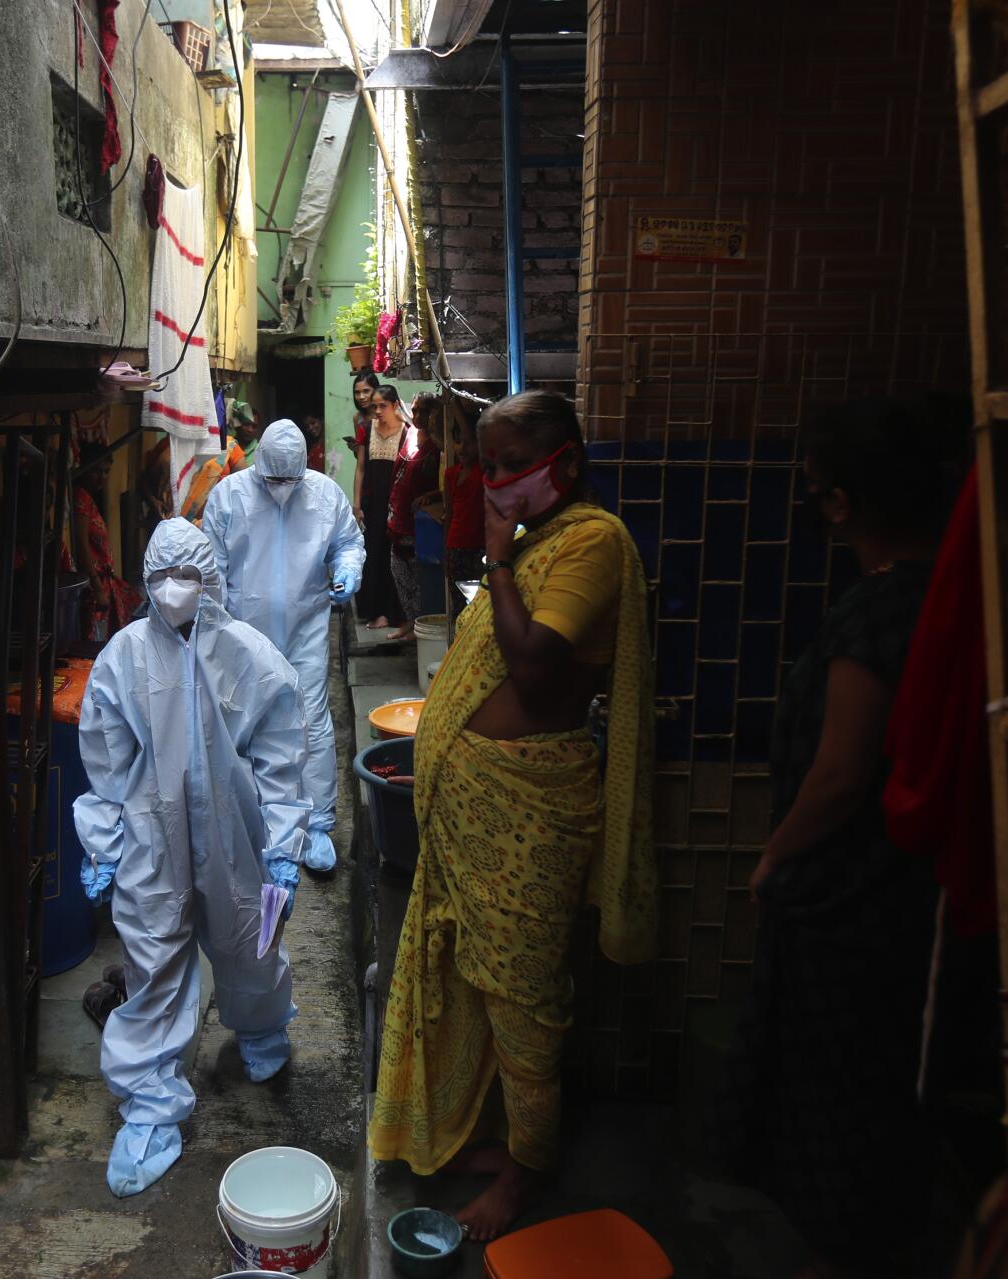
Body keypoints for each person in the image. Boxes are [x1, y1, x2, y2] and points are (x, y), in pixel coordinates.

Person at [369, 390, 655, 1240]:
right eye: (485, 464)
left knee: (524, 994)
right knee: (462, 979)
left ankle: (531, 1166)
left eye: (505, 465)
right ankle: (474, 1132)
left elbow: (533, 672)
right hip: (470, 812)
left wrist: (495, 560)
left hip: (530, 811)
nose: (491, 480)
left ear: (563, 463)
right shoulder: (538, 541)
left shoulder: (593, 543)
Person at [714, 399, 957, 1279]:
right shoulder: (952, 595)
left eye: (815, 492)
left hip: (852, 894)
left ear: (843, 502)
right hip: (913, 888)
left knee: (840, 1091)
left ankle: (843, 1252)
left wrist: (776, 855)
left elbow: (843, 770)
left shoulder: (876, 613)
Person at [74, 519, 314, 1197]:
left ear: (212, 580)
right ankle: (151, 1106)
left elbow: (282, 758)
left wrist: (287, 843)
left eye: (190, 576)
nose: (177, 590)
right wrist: (102, 842)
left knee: (249, 938)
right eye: (163, 577)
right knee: (152, 961)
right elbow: (104, 760)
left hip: (235, 831)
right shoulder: (121, 659)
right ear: (145, 579)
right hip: (152, 836)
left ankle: (262, 1024)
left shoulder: (249, 653)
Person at [202, 421, 367, 874]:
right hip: (243, 634)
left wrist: (348, 568)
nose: (281, 490)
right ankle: (251, 822)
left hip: (305, 627)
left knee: (310, 720)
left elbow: (349, 543)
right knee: (243, 725)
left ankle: (314, 823)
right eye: (273, 481)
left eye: (288, 482)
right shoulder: (229, 496)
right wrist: (213, 629)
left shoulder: (324, 495)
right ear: (260, 469)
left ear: (302, 469)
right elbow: (211, 567)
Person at [385, 393, 444, 641]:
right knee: (400, 573)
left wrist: (430, 496)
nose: (418, 416)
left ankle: (420, 627)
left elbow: (442, 484)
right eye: (416, 410)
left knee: (420, 578)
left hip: (418, 523)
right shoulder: (409, 434)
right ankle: (410, 622)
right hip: (398, 517)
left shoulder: (438, 445)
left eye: (424, 411)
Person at [353, 384, 411, 630]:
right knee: (373, 555)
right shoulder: (367, 428)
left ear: (395, 405)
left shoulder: (407, 431)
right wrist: (356, 505)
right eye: (374, 406)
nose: (377, 410)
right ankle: (374, 611)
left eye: (382, 406)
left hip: (396, 504)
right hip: (373, 503)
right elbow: (361, 468)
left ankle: (393, 613)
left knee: (393, 555)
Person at [70, 453, 143, 641]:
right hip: (92, 585)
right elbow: (81, 544)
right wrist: (98, 588)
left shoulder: (88, 498)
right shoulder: (80, 498)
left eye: (106, 472)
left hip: (101, 581)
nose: (102, 477)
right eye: (96, 471)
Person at [179, 400, 258, 522]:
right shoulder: (179, 445)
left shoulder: (229, 447)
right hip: (177, 520)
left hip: (215, 521)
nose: (250, 429)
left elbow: (244, 489)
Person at [440, 406, 485, 587]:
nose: (462, 448)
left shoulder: (482, 470)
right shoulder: (451, 474)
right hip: (456, 547)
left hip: (481, 547)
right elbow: (449, 515)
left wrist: (454, 404)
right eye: (457, 442)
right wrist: (446, 552)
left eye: (467, 442)